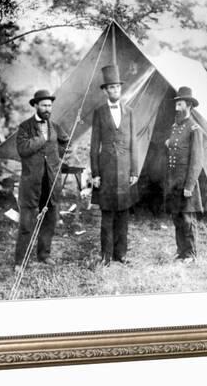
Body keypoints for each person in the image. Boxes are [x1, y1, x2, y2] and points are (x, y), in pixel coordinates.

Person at [14, 89, 70, 271]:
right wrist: (42, 138)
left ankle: (44, 254)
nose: (47, 108)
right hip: (31, 183)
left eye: (50, 105)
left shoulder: (55, 126)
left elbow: (60, 147)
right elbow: (23, 149)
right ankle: (20, 261)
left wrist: (60, 153)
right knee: (27, 222)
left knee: (50, 218)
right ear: (36, 106)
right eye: (44, 105)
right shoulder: (24, 127)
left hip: (51, 181)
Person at [90, 65, 138, 266]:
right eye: (111, 87)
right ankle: (106, 255)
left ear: (121, 89)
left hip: (125, 171)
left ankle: (121, 254)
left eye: (117, 87)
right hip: (107, 171)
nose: (114, 91)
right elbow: (94, 145)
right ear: (105, 91)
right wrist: (95, 173)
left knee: (123, 216)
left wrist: (135, 171)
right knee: (107, 215)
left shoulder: (130, 112)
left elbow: (134, 143)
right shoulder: (99, 112)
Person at [165, 86, 204, 264]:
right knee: (177, 217)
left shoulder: (194, 128)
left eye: (179, 104)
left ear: (188, 105)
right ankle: (181, 251)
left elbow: (197, 160)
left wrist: (190, 185)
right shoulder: (175, 126)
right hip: (174, 181)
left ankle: (191, 254)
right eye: (176, 104)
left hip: (186, 182)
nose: (176, 108)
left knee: (188, 219)